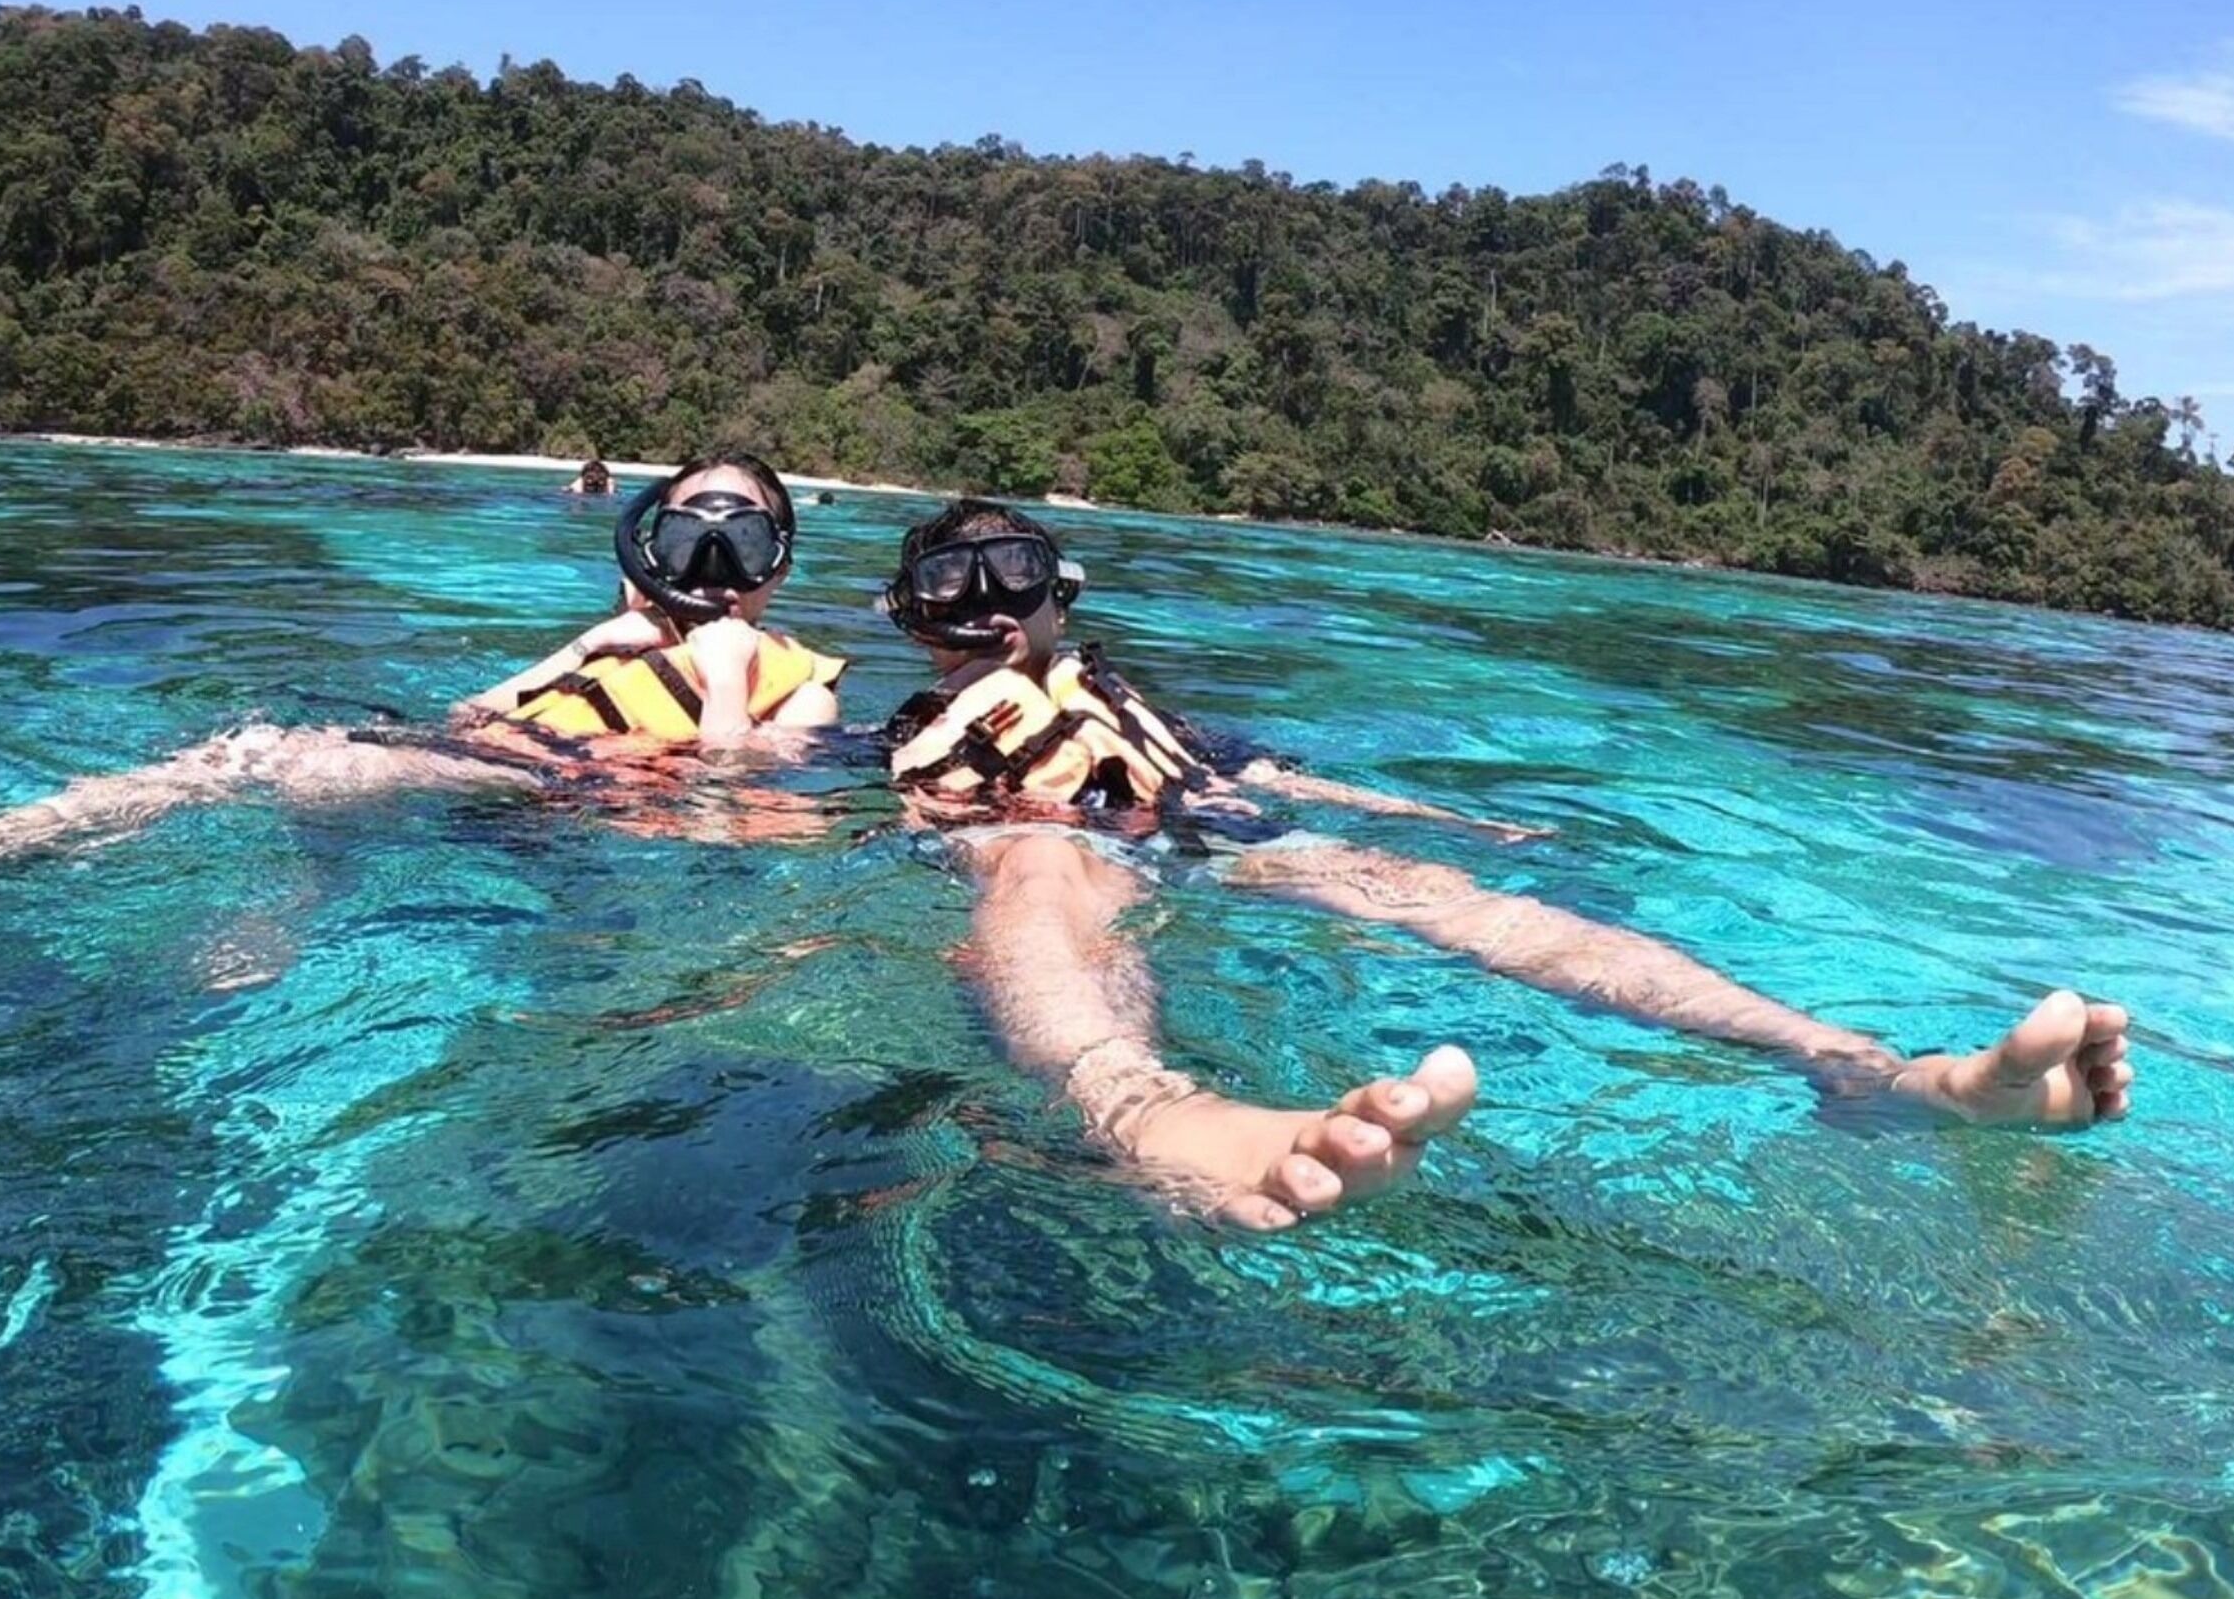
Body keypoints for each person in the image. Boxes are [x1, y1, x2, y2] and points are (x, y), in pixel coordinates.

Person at [877, 499, 2135, 1231]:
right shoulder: (901, 736)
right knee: (1038, 870)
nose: (983, 599)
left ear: (1063, 595)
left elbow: (1274, 783)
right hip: (1033, 843)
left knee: (1462, 906)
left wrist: (1455, 825)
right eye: (946, 579)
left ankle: (1870, 1071)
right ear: (906, 612)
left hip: (1220, 844)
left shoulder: (1151, 714)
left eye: (1015, 573)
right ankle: (1159, 1121)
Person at [0, 458, 843, 941]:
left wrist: (721, 678)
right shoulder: (603, 642)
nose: (710, 561)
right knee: (245, 752)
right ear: (643, 549)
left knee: (293, 760)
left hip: (588, 817)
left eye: (739, 537)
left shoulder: (791, 681)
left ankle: (290, 885)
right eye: (689, 535)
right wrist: (577, 643)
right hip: (488, 780)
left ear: (777, 565)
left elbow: (742, 815)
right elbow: (470, 721)